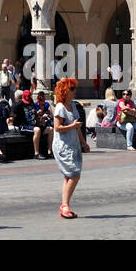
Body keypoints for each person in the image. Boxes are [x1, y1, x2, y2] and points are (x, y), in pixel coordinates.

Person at [51, 78, 83, 219]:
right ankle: (64, 205)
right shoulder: (60, 107)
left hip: (73, 144)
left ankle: (65, 206)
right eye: (71, 88)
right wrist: (73, 126)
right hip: (63, 146)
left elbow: (78, 127)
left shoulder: (73, 106)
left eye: (74, 88)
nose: (74, 91)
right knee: (74, 174)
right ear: (64, 90)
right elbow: (57, 128)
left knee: (69, 176)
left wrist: (83, 142)